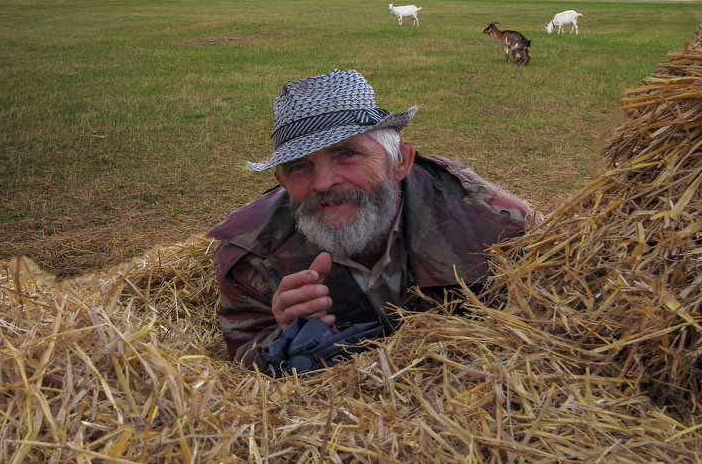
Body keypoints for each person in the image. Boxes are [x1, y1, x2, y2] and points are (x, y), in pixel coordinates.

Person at [208, 69, 537, 370]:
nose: (323, 183)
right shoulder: (253, 254)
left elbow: (539, 337)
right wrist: (285, 337)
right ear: (282, 183)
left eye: (347, 154)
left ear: (400, 161)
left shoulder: (498, 230)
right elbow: (244, 349)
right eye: (299, 166)